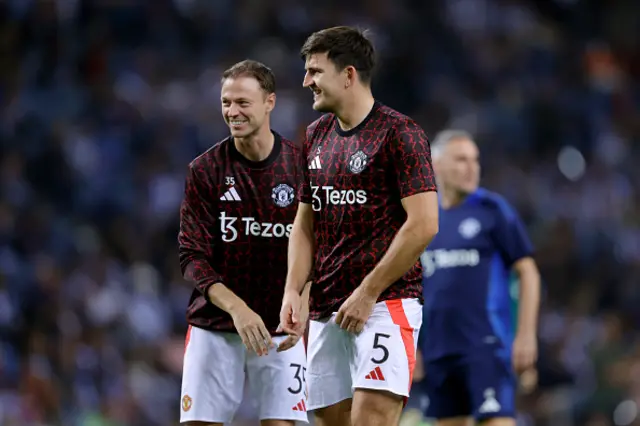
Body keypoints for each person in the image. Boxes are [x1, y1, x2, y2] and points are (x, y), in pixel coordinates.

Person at [278, 26, 439, 426]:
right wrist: (292, 291)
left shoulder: (400, 134)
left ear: (348, 75)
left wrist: (369, 292)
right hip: (326, 309)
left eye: (315, 71)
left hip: (386, 304)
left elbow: (424, 224)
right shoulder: (314, 137)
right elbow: (304, 224)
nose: (306, 81)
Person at [178, 59, 309, 426]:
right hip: (216, 326)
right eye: (226, 103)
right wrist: (238, 309)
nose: (232, 112)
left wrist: (305, 299)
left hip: (281, 328)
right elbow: (192, 257)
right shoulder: (205, 171)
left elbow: (320, 246)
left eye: (242, 103)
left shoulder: (301, 167)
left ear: (270, 102)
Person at [418, 130, 541, 426]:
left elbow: (528, 272)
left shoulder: (492, 210)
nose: (472, 167)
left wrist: (525, 336)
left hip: (485, 347)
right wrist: (415, 347)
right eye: (461, 160)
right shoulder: (422, 220)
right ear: (436, 165)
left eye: (475, 160)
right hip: (438, 352)